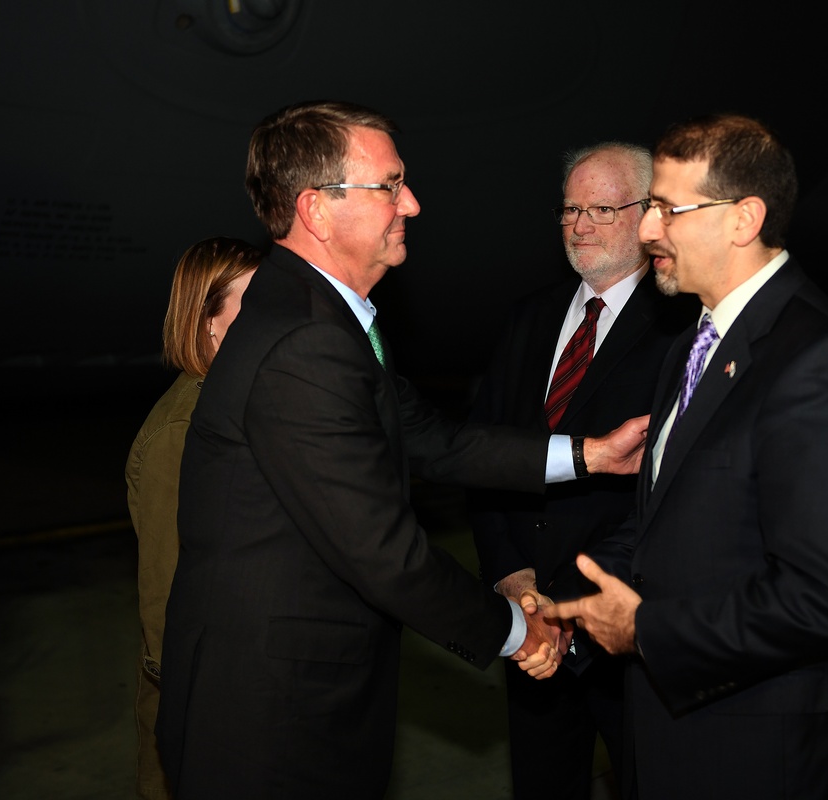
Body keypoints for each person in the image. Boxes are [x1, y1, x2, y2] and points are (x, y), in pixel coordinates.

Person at [155, 100, 649, 800]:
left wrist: (589, 454)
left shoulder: (320, 315)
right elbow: (385, 554)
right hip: (271, 716)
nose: (411, 204)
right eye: (389, 185)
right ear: (318, 210)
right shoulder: (307, 342)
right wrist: (522, 632)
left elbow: (434, 440)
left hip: (295, 695)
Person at [550, 114, 828, 799]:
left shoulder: (822, 362)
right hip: (684, 732)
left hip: (768, 755)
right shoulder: (697, 340)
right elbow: (671, 517)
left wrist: (646, 629)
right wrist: (566, 602)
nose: (648, 229)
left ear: (743, 219)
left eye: (666, 208)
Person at [467, 142, 691, 799]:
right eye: (570, 209)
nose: (580, 226)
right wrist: (510, 573)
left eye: (601, 208)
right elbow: (483, 453)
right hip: (529, 623)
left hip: (625, 627)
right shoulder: (531, 317)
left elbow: (676, 493)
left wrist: (582, 608)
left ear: (649, 215)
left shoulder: (681, 327)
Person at [125, 236, 260, 800]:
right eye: (253, 308)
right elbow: (165, 601)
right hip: (202, 707)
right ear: (207, 323)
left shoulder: (232, 406)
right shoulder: (183, 434)